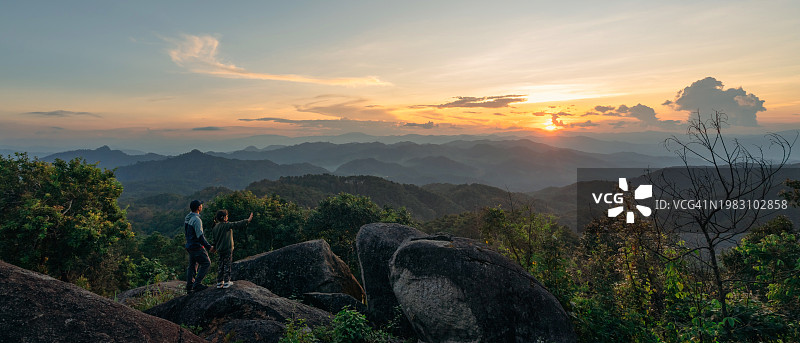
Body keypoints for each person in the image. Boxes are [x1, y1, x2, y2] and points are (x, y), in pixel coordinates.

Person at [211, 210, 253, 289]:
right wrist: (247, 220)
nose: (227, 217)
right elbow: (236, 224)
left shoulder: (215, 227)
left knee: (221, 265)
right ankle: (227, 282)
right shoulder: (226, 225)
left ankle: (219, 282)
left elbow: (214, 240)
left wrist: (214, 247)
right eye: (226, 216)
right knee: (227, 265)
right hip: (227, 249)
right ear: (224, 217)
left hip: (220, 250)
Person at [184, 199, 215, 293]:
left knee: (192, 265)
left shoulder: (188, 218)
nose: (202, 206)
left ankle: (189, 286)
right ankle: (197, 284)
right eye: (201, 205)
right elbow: (200, 236)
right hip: (196, 246)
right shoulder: (197, 220)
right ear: (198, 207)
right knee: (206, 263)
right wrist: (209, 247)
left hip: (190, 245)